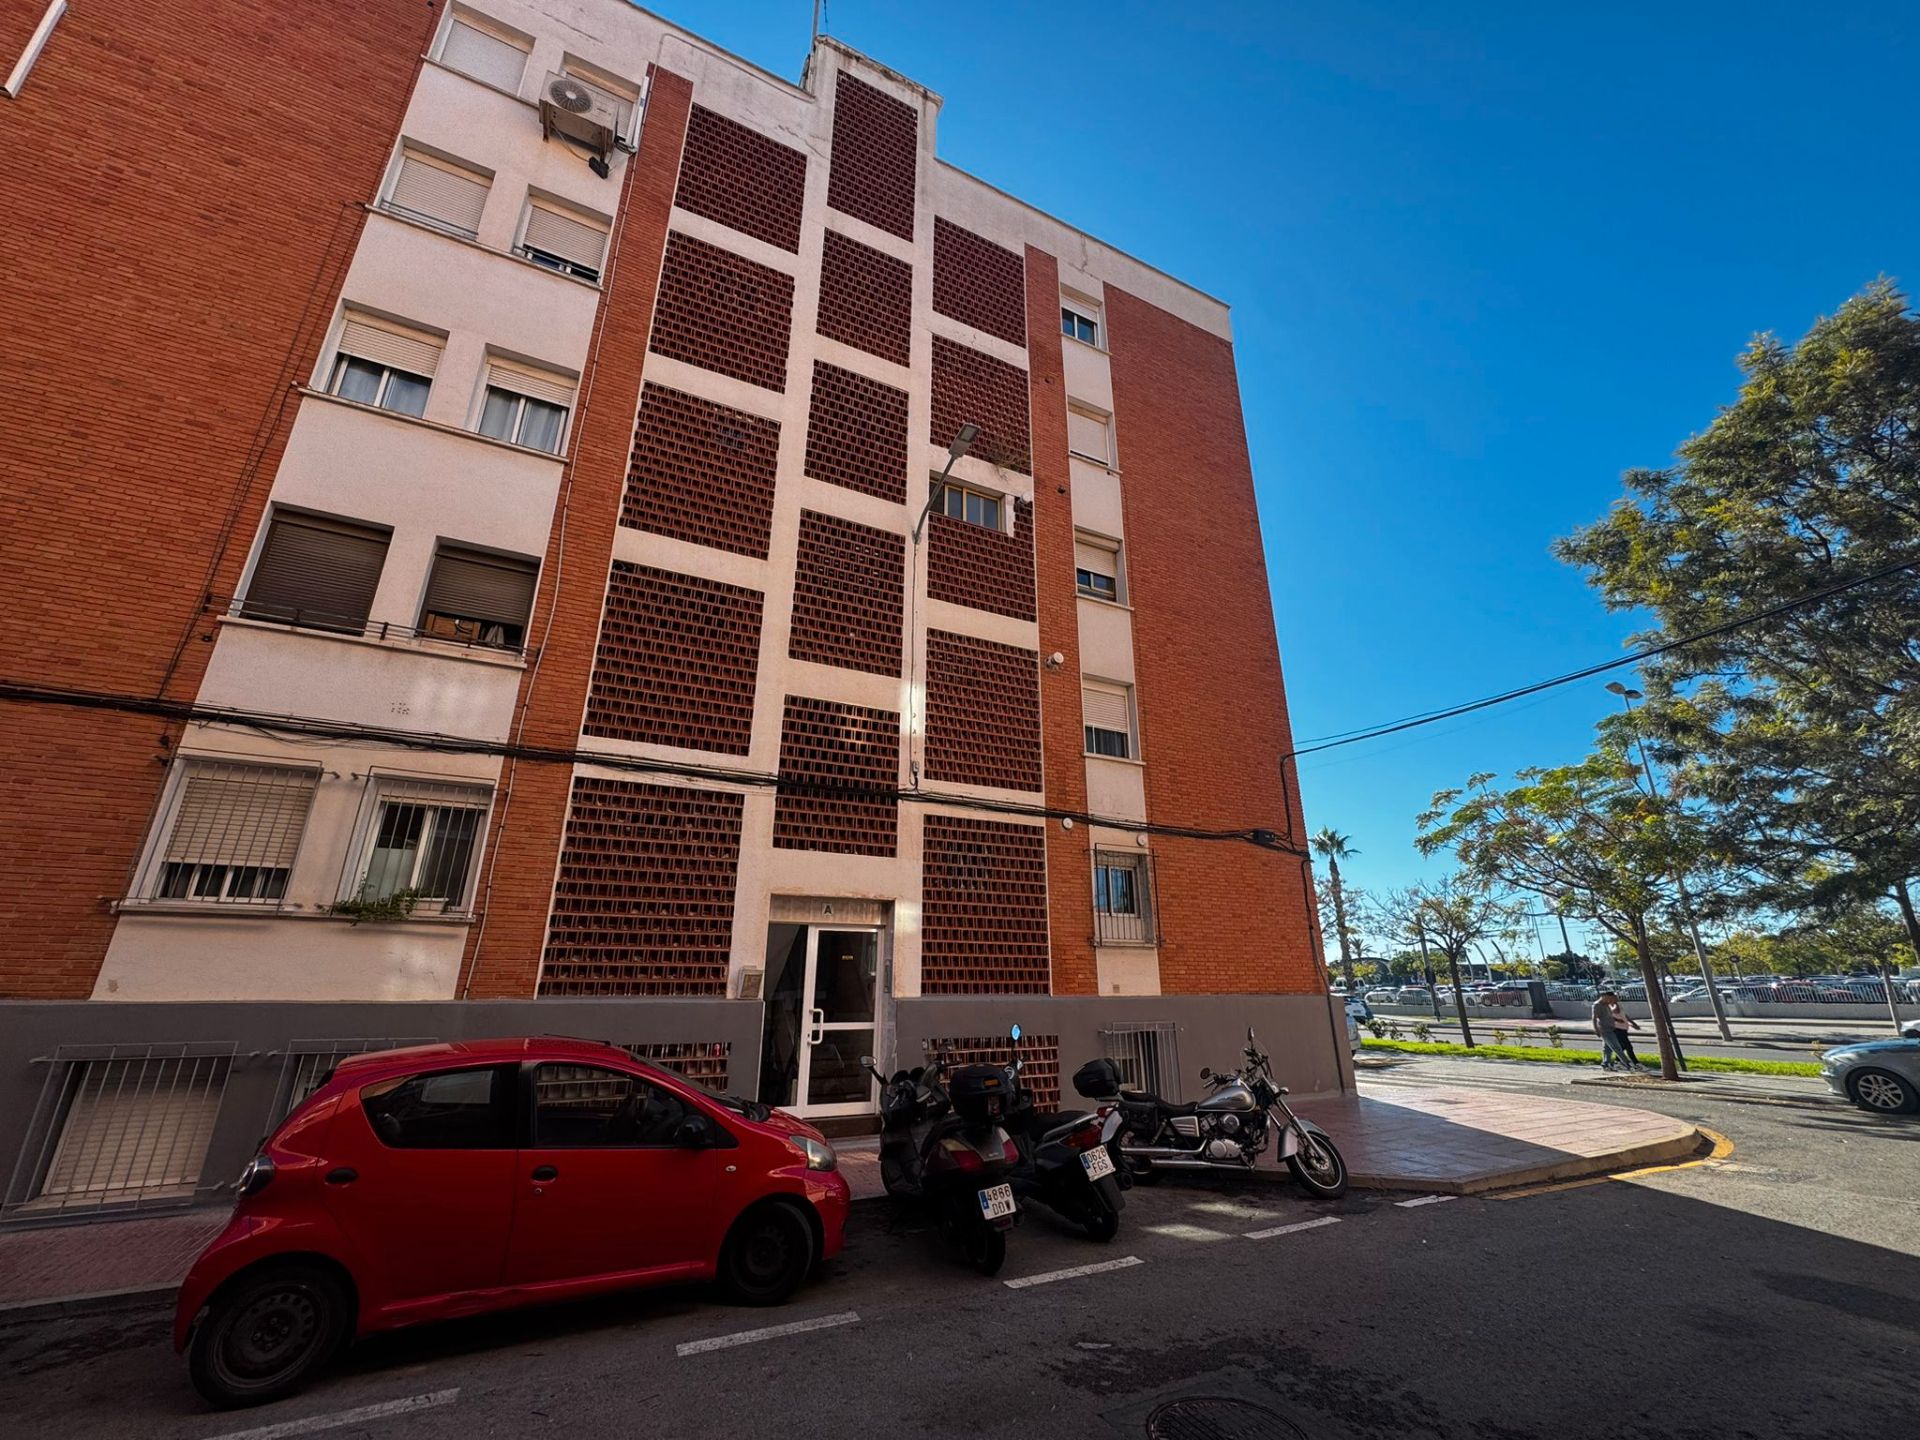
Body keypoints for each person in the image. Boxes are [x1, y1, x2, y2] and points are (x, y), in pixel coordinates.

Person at [1592, 989, 1636, 1071]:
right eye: (1609, 998)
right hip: (1605, 1029)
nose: (1610, 1001)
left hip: (1611, 1028)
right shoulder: (1597, 1005)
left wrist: (1616, 1020)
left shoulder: (1606, 1004)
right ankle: (1626, 1063)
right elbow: (1594, 1018)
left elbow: (1609, 1015)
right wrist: (1596, 1029)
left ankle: (1606, 1064)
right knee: (1616, 1047)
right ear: (1604, 996)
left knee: (1607, 1048)